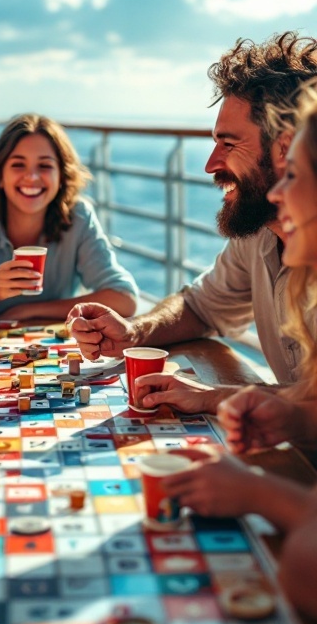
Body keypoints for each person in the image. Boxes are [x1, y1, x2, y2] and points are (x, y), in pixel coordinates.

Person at [68, 32, 317, 412]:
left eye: (229, 145)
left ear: (285, 149)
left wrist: (216, 396)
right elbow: (202, 308)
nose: (210, 165)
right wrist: (135, 332)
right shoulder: (260, 231)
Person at [161, 87, 317, 617]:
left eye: (293, 176)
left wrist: (261, 495)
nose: (277, 198)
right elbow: (202, 307)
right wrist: (290, 414)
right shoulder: (265, 235)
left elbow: (307, 575)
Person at [0, 113, 138, 321]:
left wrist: (29, 310)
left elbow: (124, 298)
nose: (32, 177)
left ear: (61, 177)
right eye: (18, 165)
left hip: (47, 348)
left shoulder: (78, 217)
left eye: (45, 166)